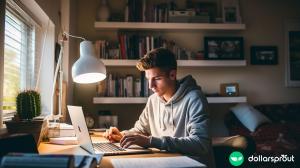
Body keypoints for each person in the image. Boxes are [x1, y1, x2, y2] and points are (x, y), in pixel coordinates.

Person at [104, 48, 215, 167]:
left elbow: (200, 144)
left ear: (172, 75)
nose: (151, 86)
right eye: (148, 79)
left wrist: (152, 141)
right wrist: (122, 135)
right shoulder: (153, 100)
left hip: (192, 164)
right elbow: (140, 130)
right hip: (165, 163)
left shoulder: (195, 98)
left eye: (157, 79)